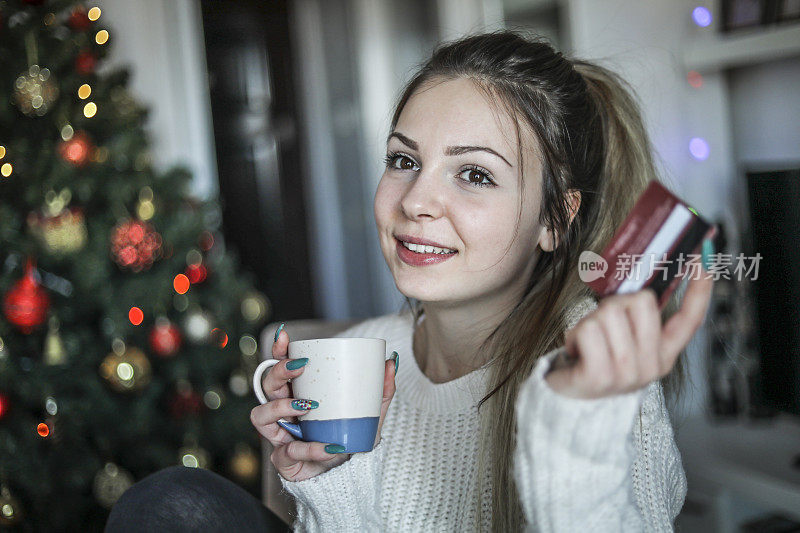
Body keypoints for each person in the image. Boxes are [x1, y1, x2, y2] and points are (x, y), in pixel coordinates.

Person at [107, 29, 714, 532]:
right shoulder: (367, 360)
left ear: (555, 220)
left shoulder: (588, 358)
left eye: (474, 174)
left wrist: (581, 427)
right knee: (168, 503)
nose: (416, 200)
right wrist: (330, 479)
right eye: (404, 161)